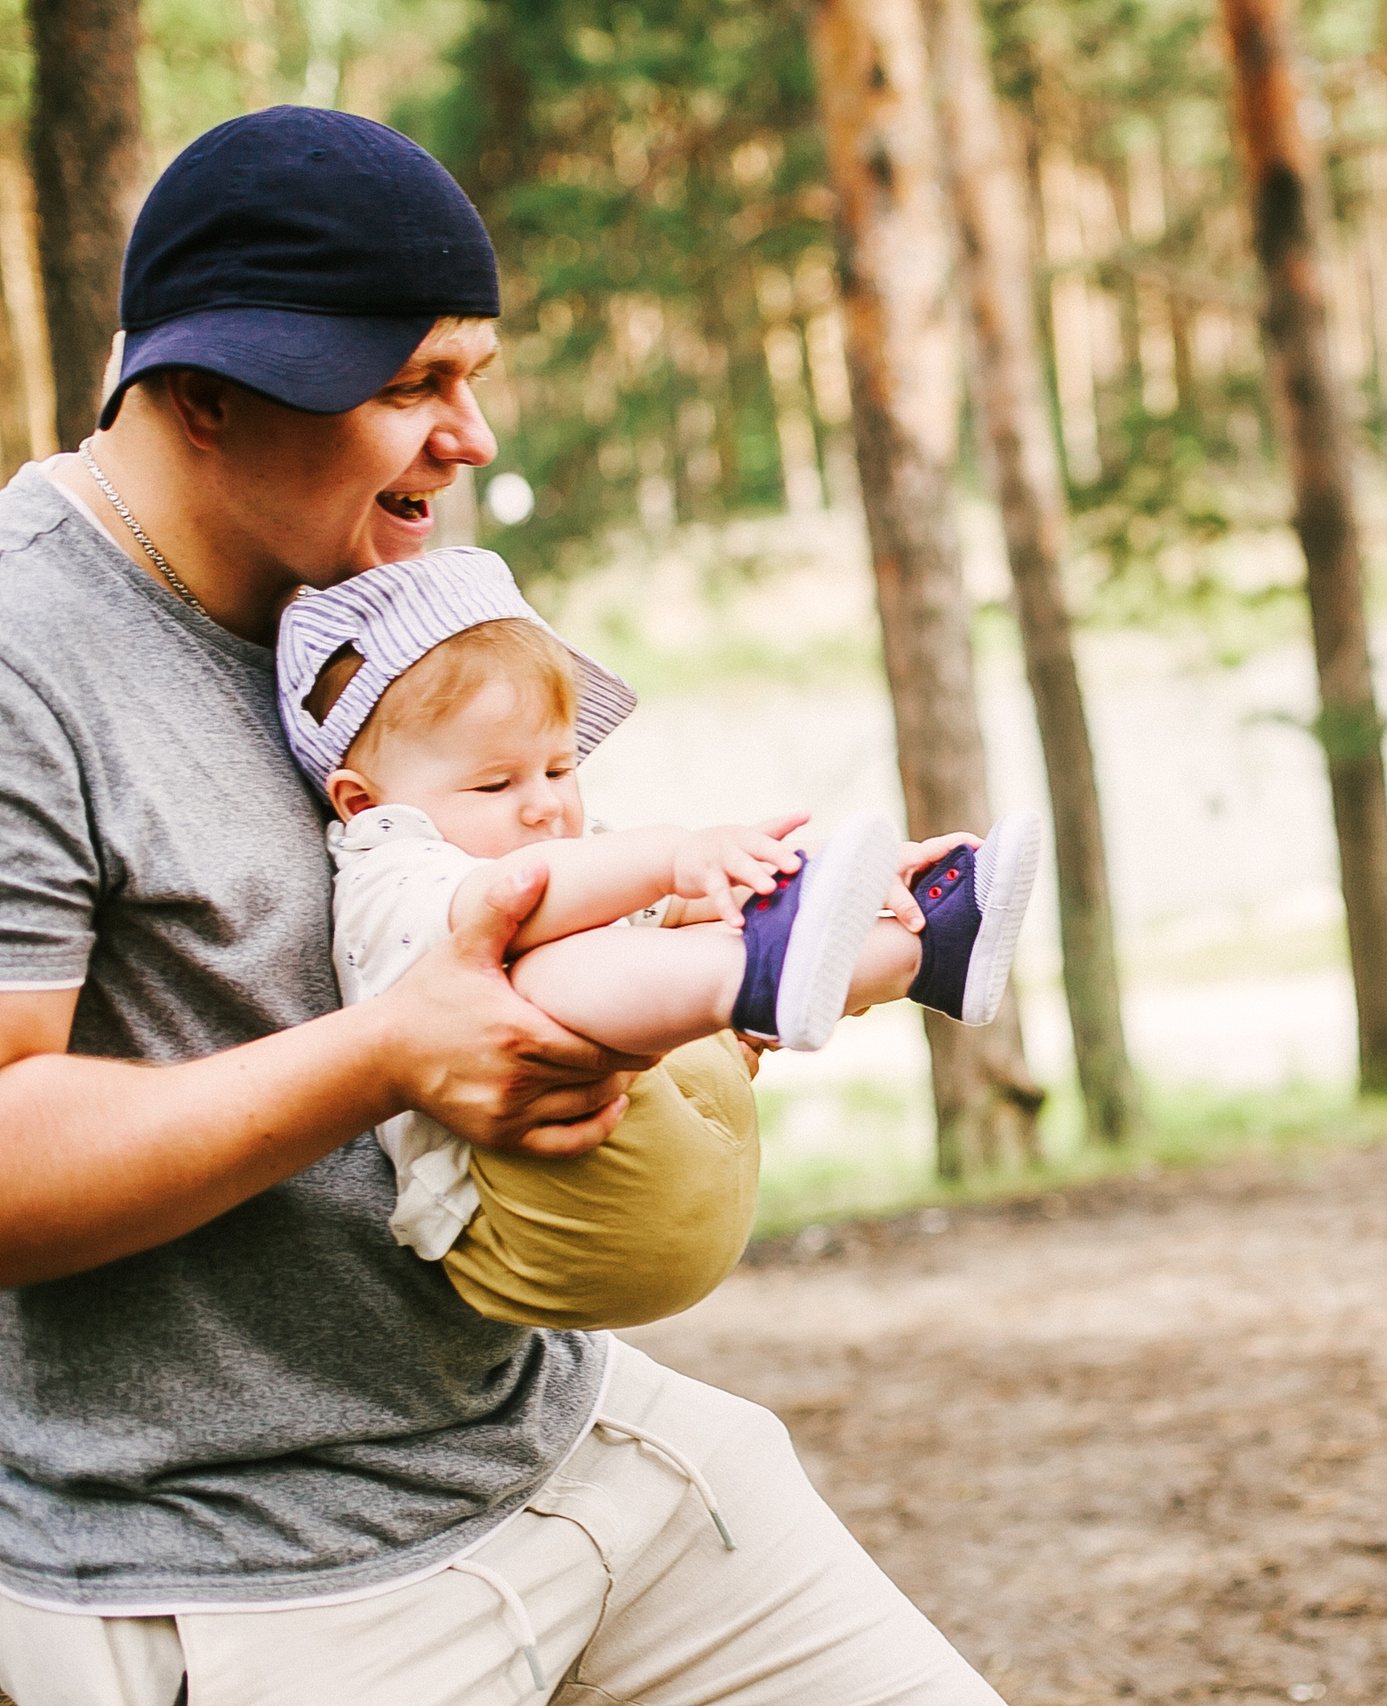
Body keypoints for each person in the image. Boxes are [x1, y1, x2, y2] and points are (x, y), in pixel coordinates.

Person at [0, 107, 1009, 1705]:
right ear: (204, 395)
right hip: (263, 1588)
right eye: (412, 384)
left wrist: (668, 1000)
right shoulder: (22, 651)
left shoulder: (373, 598)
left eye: (471, 371)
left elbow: (482, 924)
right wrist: (391, 1053)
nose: (470, 435)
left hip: (574, 1444)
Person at [275, 545, 1043, 1330]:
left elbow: (673, 908)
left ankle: (924, 951)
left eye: (558, 768)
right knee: (540, 974)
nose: (543, 805)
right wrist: (678, 855)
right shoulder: (387, 872)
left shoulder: (567, 854)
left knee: (682, 923)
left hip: (681, 1194)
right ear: (365, 803)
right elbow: (524, 897)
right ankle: (765, 979)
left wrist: (828, 880)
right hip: (528, 1232)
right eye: (496, 783)